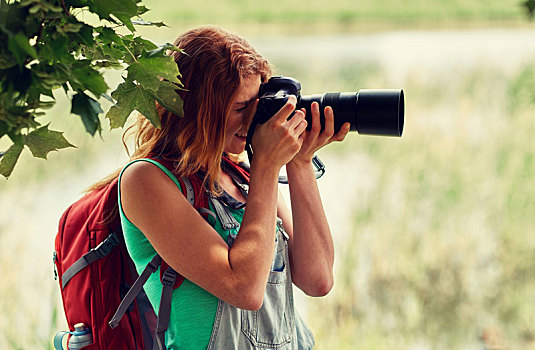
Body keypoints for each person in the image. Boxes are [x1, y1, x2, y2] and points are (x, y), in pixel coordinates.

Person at [117, 26, 350, 349]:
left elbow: (318, 279)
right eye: (241, 107)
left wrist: (300, 162)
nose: (254, 118)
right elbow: (244, 289)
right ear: (199, 107)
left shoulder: (243, 176)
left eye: (257, 104)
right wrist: (267, 166)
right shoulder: (145, 181)